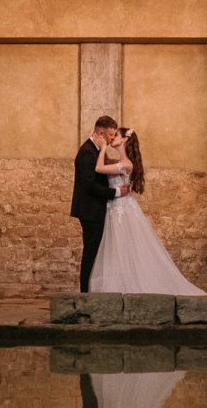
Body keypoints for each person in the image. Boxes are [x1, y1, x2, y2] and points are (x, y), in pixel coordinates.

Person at [88, 128, 207, 316]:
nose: (112, 137)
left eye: (115, 136)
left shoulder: (126, 164)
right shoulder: (120, 162)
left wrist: (102, 148)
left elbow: (99, 168)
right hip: (117, 210)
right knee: (119, 250)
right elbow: (106, 167)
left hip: (122, 210)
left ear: (124, 140)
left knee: (126, 249)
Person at [71, 116, 128, 293]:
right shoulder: (87, 152)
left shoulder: (96, 150)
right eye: (110, 135)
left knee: (96, 251)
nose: (112, 138)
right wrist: (116, 192)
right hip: (90, 211)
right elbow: (90, 185)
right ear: (100, 133)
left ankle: (92, 289)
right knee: (91, 252)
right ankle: (84, 293)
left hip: (96, 209)